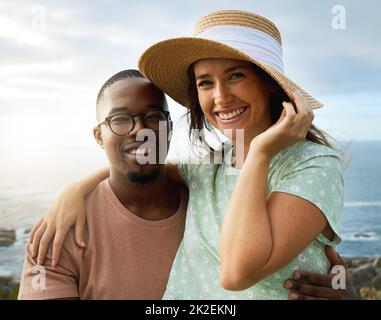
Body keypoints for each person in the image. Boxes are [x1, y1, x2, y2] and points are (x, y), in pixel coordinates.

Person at [28, 10, 358, 300]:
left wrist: (258, 154)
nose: (221, 96)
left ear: (269, 82)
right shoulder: (211, 168)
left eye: (235, 75)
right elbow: (145, 165)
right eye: (205, 83)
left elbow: (235, 274)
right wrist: (75, 191)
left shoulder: (312, 165)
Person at [18, 70, 187, 299]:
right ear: (99, 136)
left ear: (170, 128)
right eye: (120, 119)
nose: (140, 130)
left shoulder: (208, 203)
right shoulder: (58, 231)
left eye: (154, 117)